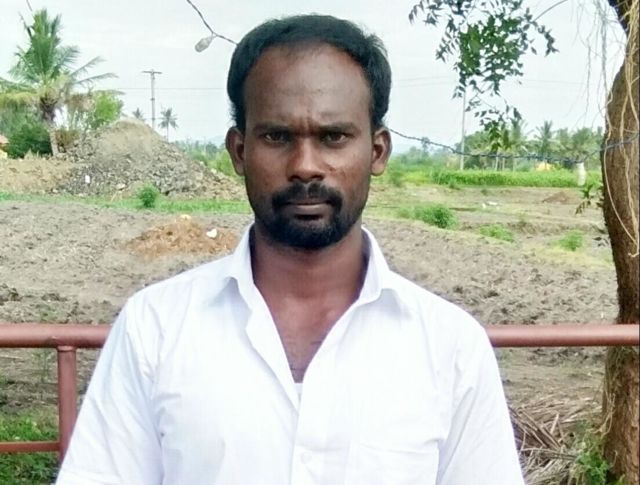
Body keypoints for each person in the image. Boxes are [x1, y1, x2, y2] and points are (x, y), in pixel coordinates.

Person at [56, 14, 524, 485]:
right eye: (277, 137)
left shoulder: (451, 349)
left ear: (378, 151)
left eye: (333, 137)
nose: (305, 166)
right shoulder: (155, 329)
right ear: (239, 151)